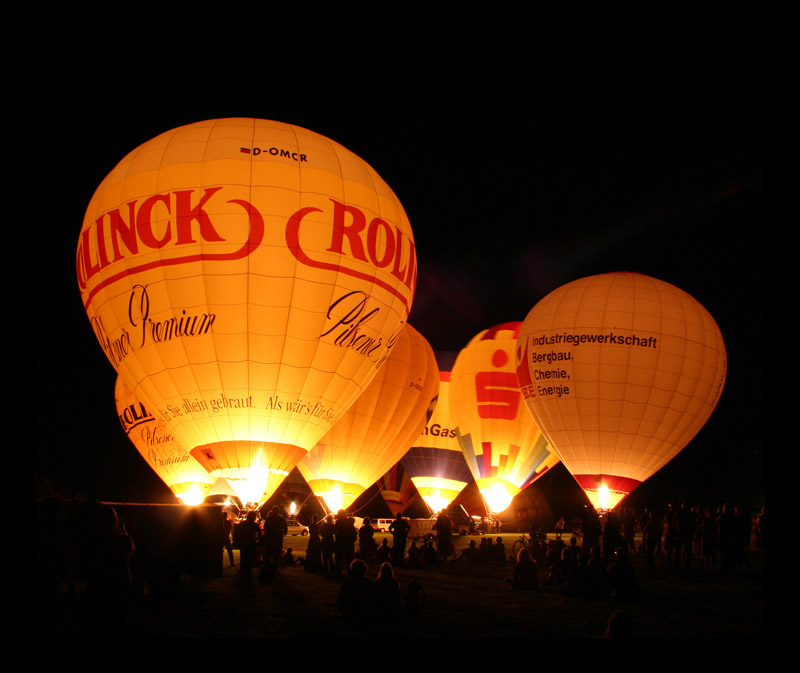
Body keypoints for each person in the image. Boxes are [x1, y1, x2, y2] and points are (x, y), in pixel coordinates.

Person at [337, 559, 374, 629]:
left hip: (350, 610)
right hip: (364, 610)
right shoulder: (368, 582)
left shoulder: (347, 582)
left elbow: (341, 598)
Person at [261, 505, 288, 580]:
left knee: (268, 554)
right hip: (278, 538)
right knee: (276, 555)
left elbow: (265, 527)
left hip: (270, 538)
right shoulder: (281, 519)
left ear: (272, 511)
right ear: (278, 511)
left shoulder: (269, 519)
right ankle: (274, 569)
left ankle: (267, 569)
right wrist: (282, 533)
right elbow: (285, 529)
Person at [234, 511, 260, 581]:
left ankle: (242, 568)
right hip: (251, 542)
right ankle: (248, 568)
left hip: (244, 542)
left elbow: (237, 531)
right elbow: (260, 532)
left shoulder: (242, 523)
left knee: (243, 555)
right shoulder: (254, 524)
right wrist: (257, 538)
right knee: (251, 556)